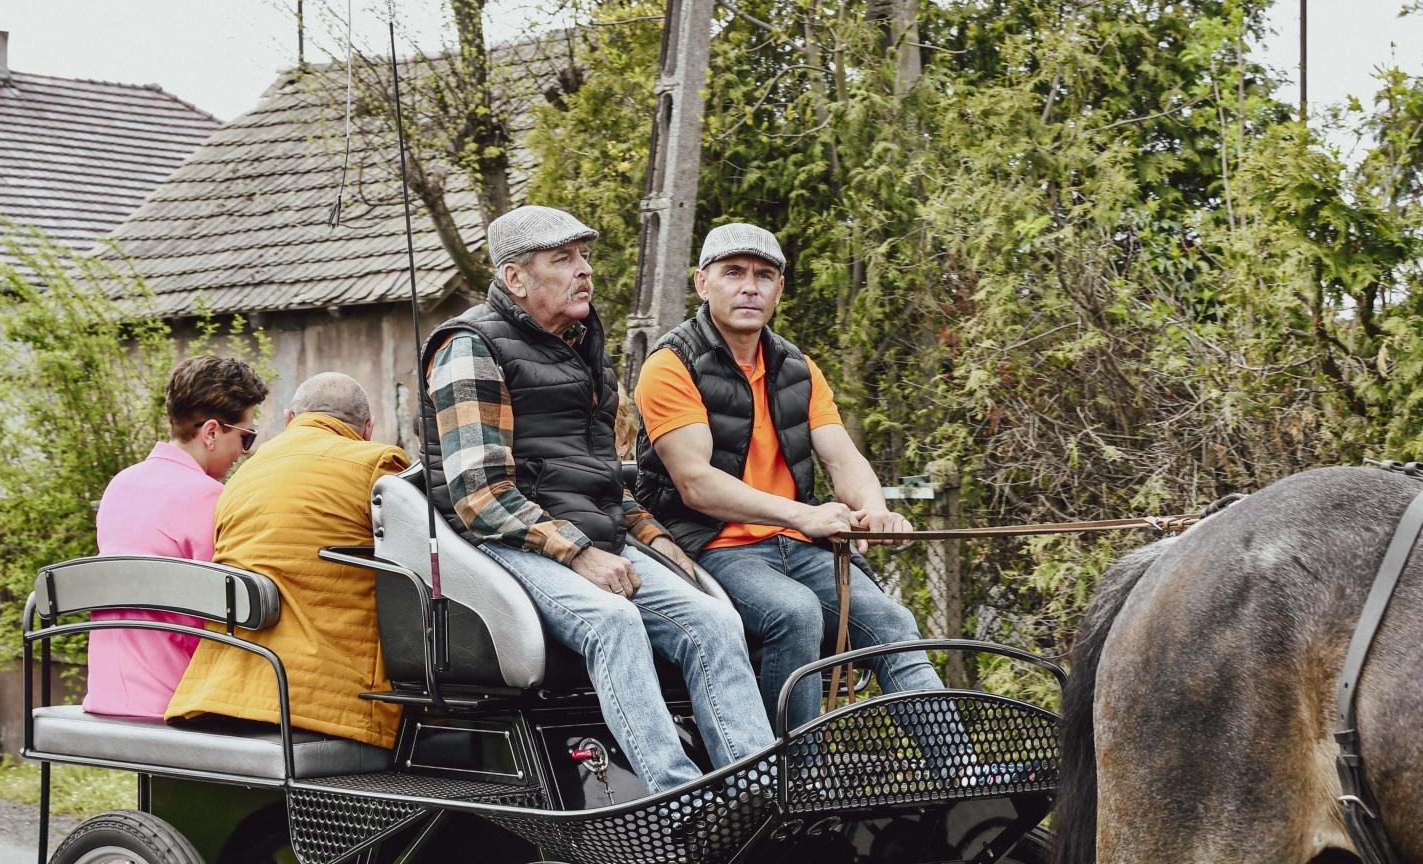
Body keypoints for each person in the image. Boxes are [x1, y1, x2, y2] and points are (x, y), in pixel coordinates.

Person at [419, 205, 774, 794]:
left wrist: (659, 544)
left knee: (713, 619)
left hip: (589, 535)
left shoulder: (580, 347)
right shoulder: (470, 346)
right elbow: (479, 496)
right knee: (614, 623)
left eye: (584, 256)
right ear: (515, 279)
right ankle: (677, 799)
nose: (584, 271)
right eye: (563, 259)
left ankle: (754, 791)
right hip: (503, 544)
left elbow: (601, 478)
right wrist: (581, 554)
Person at [634, 222, 944, 731]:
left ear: (780, 288)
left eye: (765, 275)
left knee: (893, 621)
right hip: (712, 545)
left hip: (797, 544)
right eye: (733, 273)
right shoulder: (671, 364)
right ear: (702, 282)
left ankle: (959, 774)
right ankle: (792, 779)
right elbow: (696, 483)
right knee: (793, 613)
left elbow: (842, 458)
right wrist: (807, 515)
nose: (749, 287)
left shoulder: (797, 367)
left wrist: (876, 509)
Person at [166, 373, 411, 747]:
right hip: (329, 701)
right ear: (368, 429)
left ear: (289, 420)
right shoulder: (379, 462)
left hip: (221, 689)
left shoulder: (242, 475)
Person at [84, 355, 268, 719]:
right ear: (212, 432)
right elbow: (228, 616)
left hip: (106, 692)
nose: (244, 453)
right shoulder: (211, 500)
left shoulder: (121, 485)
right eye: (245, 437)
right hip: (180, 700)